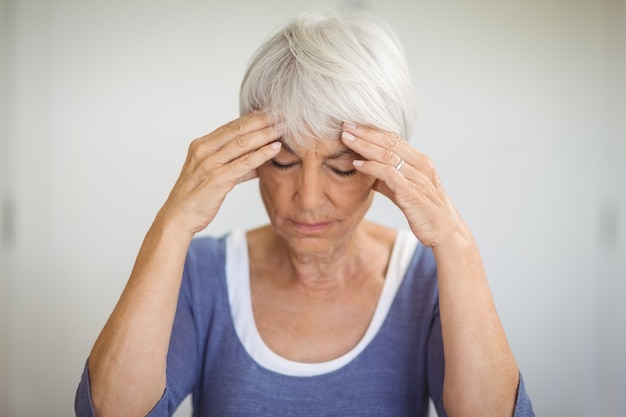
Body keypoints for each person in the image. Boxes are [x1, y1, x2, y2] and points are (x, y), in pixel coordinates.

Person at [75, 11, 534, 417]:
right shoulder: (204, 273)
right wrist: (173, 224)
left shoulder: (426, 280)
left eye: (340, 166)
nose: (309, 198)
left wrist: (456, 242)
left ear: (383, 166)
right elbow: (114, 411)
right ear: (253, 155)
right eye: (284, 162)